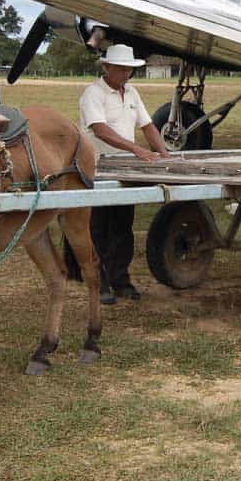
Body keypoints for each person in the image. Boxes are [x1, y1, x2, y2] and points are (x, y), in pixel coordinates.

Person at [79, 44, 171, 304]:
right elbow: (100, 129)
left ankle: (121, 279)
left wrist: (164, 153)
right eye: (121, 69)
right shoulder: (93, 94)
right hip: (98, 168)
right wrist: (135, 149)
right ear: (107, 67)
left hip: (125, 169)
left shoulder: (131, 92)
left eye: (129, 70)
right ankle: (101, 282)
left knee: (122, 227)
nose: (125, 74)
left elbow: (148, 125)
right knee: (99, 228)